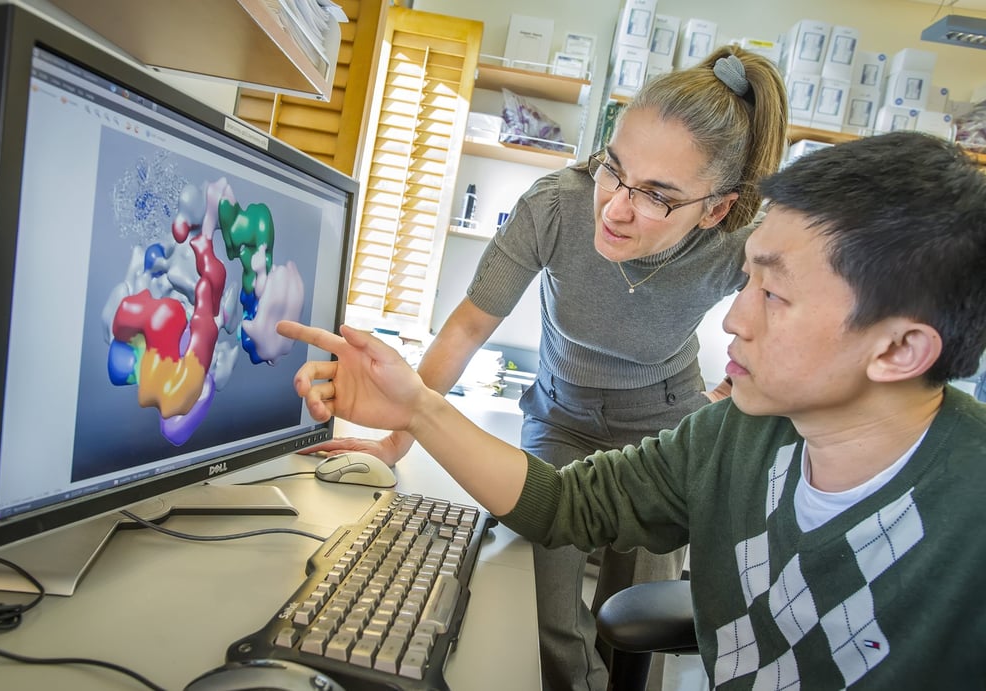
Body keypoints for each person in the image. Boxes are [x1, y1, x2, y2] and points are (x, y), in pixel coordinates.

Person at [277, 130, 986, 689]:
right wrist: (420, 409)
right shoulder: (734, 436)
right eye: (748, 282)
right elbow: (565, 503)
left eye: (773, 294)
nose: (736, 320)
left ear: (899, 350)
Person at [308, 44, 788, 690]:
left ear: (716, 208)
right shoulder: (556, 206)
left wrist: (728, 398)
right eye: (615, 169)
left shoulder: (736, 243)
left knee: (634, 621)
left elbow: (789, 323)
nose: (615, 206)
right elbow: (469, 326)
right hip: (561, 418)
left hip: (666, 427)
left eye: (657, 196)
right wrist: (397, 436)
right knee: (547, 620)